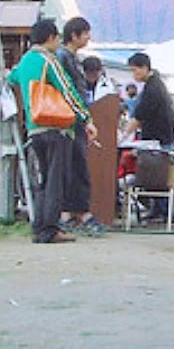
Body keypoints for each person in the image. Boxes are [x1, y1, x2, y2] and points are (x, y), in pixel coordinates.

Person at [8, 18, 96, 244]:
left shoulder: (24, 62)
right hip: (56, 127)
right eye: (56, 37)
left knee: (43, 179)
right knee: (57, 180)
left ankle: (39, 227)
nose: (58, 42)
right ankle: (50, 229)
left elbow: (11, 79)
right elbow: (68, 90)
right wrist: (86, 119)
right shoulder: (49, 61)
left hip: (34, 128)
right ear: (49, 38)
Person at [55, 16, 106, 236]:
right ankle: (76, 213)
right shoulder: (63, 58)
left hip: (74, 119)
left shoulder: (70, 57)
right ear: (74, 35)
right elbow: (70, 91)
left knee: (75, 165)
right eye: (85, 33)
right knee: (74, 166)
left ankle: (72, 212)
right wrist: (85, 117)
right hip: (71, 119)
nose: (88, 38)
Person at [122, 52, 174, 147]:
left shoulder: (152, 88)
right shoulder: (156, 83)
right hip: (163, 139)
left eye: (134, 70)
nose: (133, 74)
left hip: (158, 143)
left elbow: (139, 116)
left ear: (144, 68)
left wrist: (123, 137)